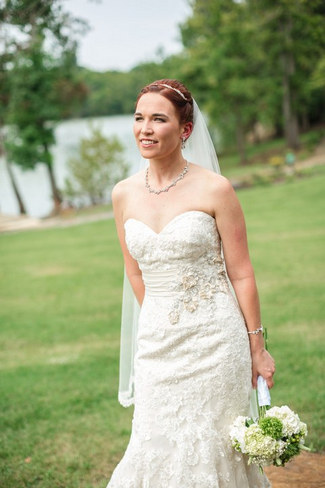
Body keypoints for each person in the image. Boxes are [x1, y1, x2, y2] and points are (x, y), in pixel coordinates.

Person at [107, 79, 275, 487]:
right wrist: (160, 317)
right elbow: (134, 270)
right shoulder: (123, 193)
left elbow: (242, 271)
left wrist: (257, 346)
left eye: (158, 119)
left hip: (216, 342)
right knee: (153, 441)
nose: (144, 128)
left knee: (215, 447)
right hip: (157, 345)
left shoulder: (216, 189)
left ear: (185, 130)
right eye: (139, 118)